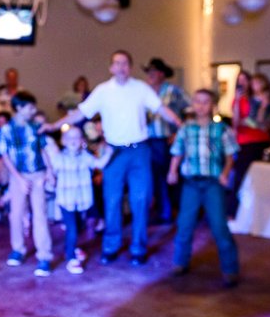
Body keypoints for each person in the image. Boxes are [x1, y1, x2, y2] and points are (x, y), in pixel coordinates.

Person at [44, 50, 182, 266]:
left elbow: (162, 110)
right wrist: (54, 125)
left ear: (130, 67)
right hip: (114, 152)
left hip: (139, 151)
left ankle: (138, 248)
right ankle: (111, 246)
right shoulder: (103, 91)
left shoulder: (141, 89)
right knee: (112, 201)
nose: (121, 67)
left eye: (125, 63)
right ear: (111, 68)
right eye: (117, 63)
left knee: (140, 200)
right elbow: (80, 113)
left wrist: (181, 126)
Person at [167, 89, 241, 288]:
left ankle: (230, 268)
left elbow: (230, 155)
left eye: (205, 102)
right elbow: (177, 152)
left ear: (212, 105)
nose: (201, 105)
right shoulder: (186, 129)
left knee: (219, 225)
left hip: (212, 183)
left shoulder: (221, 129)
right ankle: (180, 262)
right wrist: (172, 171)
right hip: (191, 183)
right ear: (193, 104)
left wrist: (225, 173)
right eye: (197, 101)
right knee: (185, 223)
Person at [0, 91, 55, 276]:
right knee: (16, 214)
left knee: (40, 214)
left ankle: (44, 256)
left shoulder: (36, 127)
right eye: (30, 107)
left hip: (38, 174)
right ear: (19, 108)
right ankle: (18, 249)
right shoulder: (6, 129)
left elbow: (43, 149)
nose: (33, 110)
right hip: (18, 176)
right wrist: (19, 179)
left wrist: (50, 172)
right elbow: (5, 155)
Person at [45, 125, 112, 274]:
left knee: (79, 226)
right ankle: (71, 258)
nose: (73, 141)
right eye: (70, 138)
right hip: (66, 201)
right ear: (63, 141)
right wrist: (49, 182)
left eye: (77, 137)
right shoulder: (59, 158)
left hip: (82, 201)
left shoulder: (85, 156)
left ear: (82, 140)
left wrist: (108, 153)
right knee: (72, 229)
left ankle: (73, 248)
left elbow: (98, 164)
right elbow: (51, 175)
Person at [144, 57, 189, 225]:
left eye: (154, 72)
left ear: (162, 74)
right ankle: (163, 211)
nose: (151, 75)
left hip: (166, 140)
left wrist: (179, 132)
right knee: (154, 177)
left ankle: (171, 211)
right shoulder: (144, 92)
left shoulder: (173, 91)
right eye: (149, 72)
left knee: (169, 175)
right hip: (147, 140)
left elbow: (189, 111)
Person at [227, 70, 270, 218]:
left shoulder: (259, 98)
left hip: (261, 140)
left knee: (263, 176)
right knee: (241, 176)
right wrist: (236, 102)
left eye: (245, 80)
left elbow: (262, 121)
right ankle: (234, 212)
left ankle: (262, 213)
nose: (242, 83)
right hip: (245, 142)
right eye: (239, 80)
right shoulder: (239, 100)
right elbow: (236, 123)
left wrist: (250, 121)